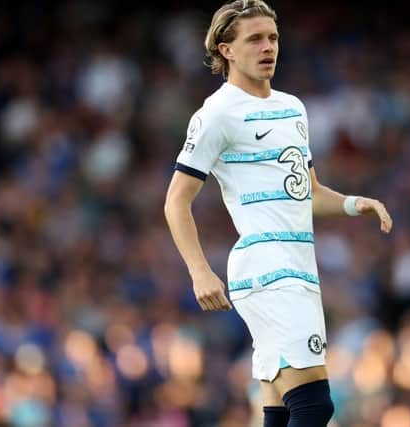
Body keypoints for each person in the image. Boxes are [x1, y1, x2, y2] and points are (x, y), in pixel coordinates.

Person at [164, 1, 392, 425]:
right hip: (267, 268)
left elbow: (307, 192)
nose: (268, 47)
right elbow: (176, 200)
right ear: (226, 50)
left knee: (279, 408)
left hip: (299, 264)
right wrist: (199, 271)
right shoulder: (217, 113)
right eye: (254, 39)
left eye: (272, 38)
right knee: (315, 403)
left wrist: (350, 203)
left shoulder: (293, 108)